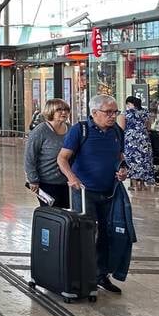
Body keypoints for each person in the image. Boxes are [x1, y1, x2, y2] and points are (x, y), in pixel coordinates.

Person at [57, 95, 129, 294]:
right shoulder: (80, 130)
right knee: (86, 234)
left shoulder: (116, 131)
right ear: (94, 112)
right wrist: (72, 178)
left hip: (109, 192)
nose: (113, 116)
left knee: (108, 233)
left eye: (115, 112)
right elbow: (62, 158)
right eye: (108, 112)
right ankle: (82, 275)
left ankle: (100, 275)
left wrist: (123, 170)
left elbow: (120, 158)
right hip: (84, 192)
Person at [24, 99, 72, 207]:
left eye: (66, 110)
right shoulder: (40, 131)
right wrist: (33, 180)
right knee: (51, 215)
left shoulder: (71, 129)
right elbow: (30, 157)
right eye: (59, 110)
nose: (64, 112)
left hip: (67, 182)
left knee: (65, 215)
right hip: (46, 182)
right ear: (51, 111)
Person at [117, 96, 155, 190]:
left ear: (129, 104)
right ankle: (142, 184)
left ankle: (134, 185)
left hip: (131, 140)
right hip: (144, 140)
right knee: (143, 161)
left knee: (132, 161)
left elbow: (121, 128)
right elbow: (149, 127)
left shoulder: (125, 113)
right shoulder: (145, 112)